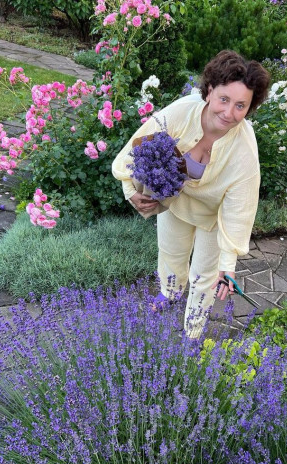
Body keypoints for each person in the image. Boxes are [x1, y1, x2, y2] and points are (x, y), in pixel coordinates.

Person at [112, 49, 270, 338]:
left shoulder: (245, 150)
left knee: (204, 278)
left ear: (250, 107)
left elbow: (239, 211)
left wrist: (228, 266)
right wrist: (128, 190)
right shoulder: (180, 112)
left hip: (214, 216)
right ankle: (169, 293)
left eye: (240, 106)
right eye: (224, 99)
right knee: (171, 254)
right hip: (175, 202)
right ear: (209, 91)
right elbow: (135, 148)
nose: (229, 113)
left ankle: (192, 332)